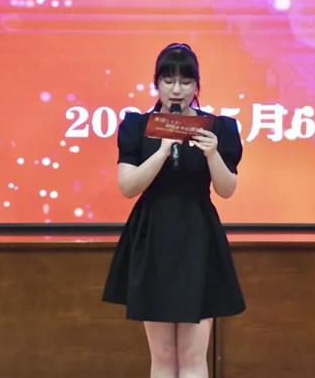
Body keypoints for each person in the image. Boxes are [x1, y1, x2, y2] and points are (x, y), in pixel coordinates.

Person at [102, 43, 245, 378]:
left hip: (198, 237)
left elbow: (227, 189)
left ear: (197, 86)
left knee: (194, 355)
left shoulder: (219, 128)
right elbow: (128, 186)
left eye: (185, 81)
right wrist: (162, 150)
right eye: (168, 81)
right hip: (153, 237)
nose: (176, 90)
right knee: (163, 355)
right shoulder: (137, 126)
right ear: (157, 84)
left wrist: (212, 154)